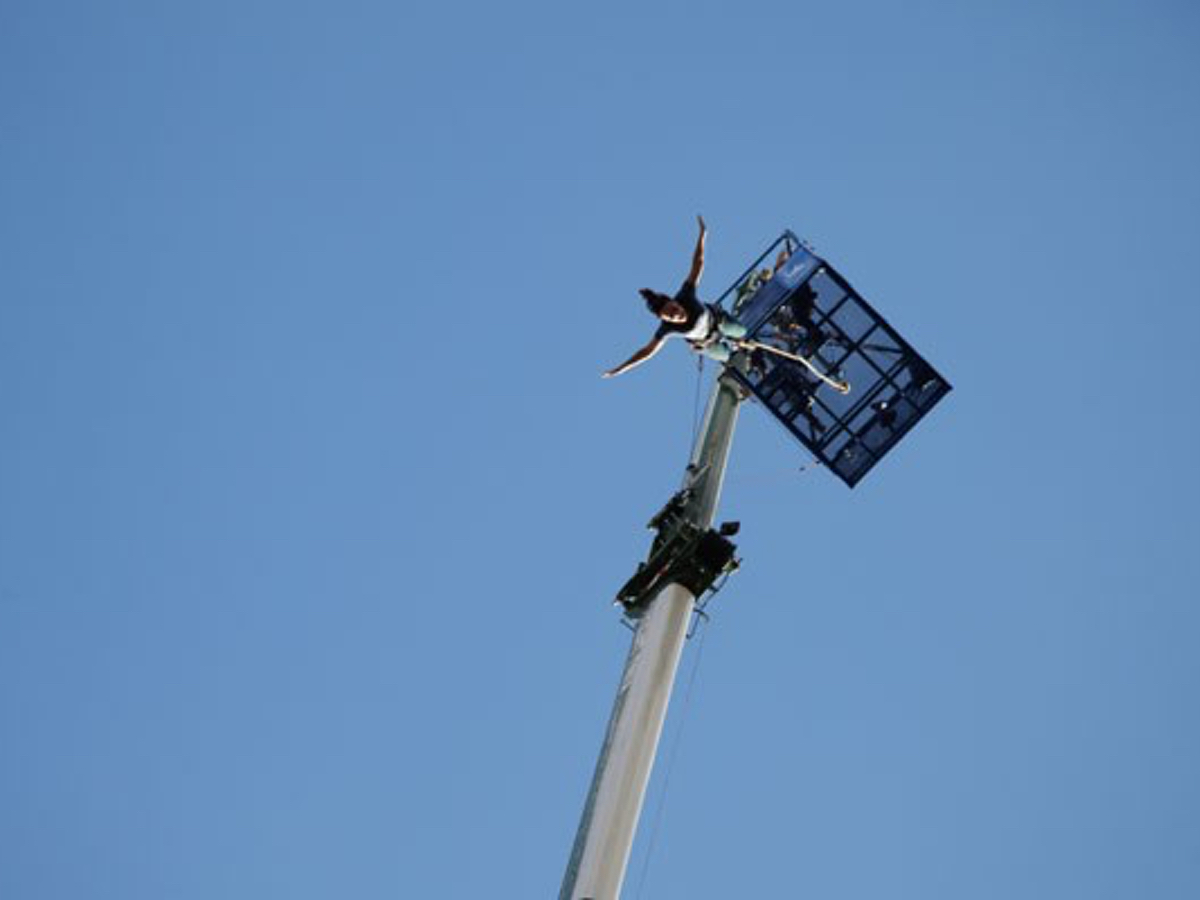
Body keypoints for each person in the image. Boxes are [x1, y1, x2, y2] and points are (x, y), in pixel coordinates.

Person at [603, 216, 746, 378]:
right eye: (671, 316)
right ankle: (743, 360)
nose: (677, 314)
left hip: (718, 320)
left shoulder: (685, 295)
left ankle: (744, 342)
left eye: (674, 309)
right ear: (665, 319)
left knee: (742, 333)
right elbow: (646, 352)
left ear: (674, 301)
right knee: (730, 358)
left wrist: (702, 236)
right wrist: (620, 369)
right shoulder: (666, 329)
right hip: (706, 342)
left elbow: (698, 263)